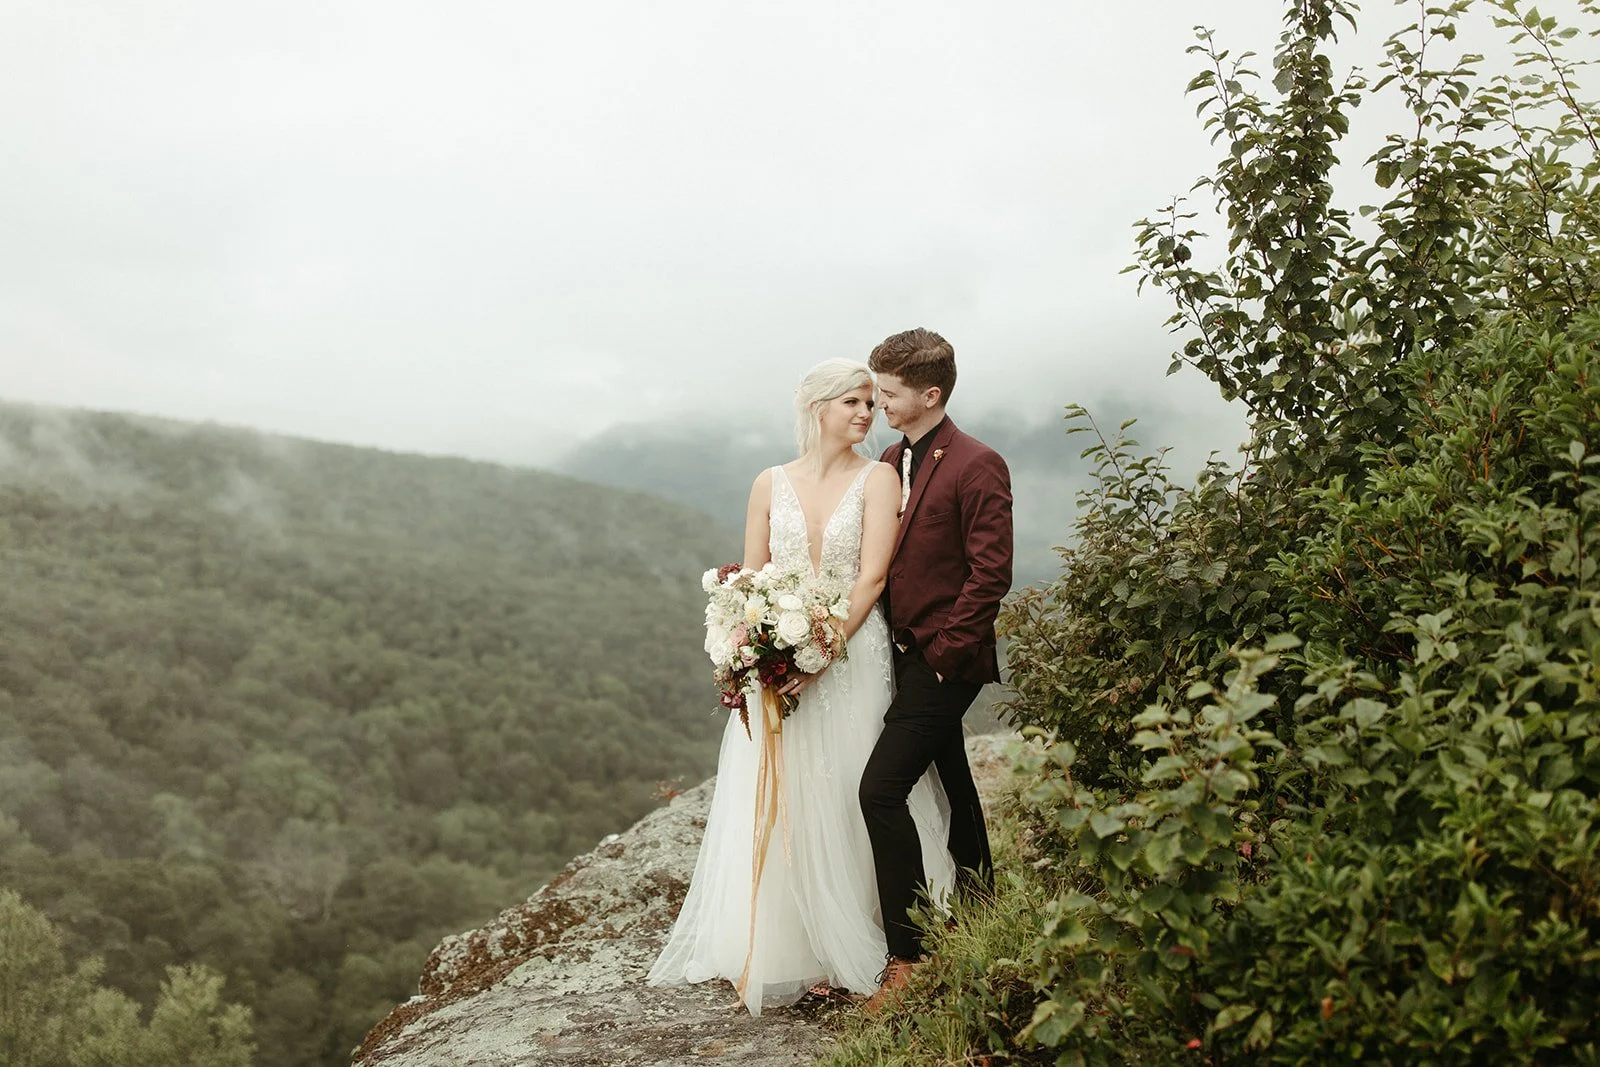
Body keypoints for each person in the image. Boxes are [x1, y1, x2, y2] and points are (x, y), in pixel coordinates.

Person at [648, 358, 955, 1016]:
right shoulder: (768, 482)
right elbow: (751, 576)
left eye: (872, 403)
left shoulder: (878, 479)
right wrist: (749, 646)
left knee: (850, 788)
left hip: (852, 654)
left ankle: (862, 938)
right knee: (786, 792)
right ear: (817, 408)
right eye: (853, 401)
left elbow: (873, 579)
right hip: (779, 661)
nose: (867, 414)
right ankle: (792, 946)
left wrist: (821, 652)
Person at [859, 328, 1013, 1009]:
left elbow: (991, 573)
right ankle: (981, 901)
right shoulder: (895, 456)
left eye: (889, 394)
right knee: (952, 779)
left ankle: (910, 952)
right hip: (897, 655)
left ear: (930, 393)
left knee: (879, 790)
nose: (879, 405)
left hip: (946, 660)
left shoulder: (979, 463)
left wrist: (947, 658)